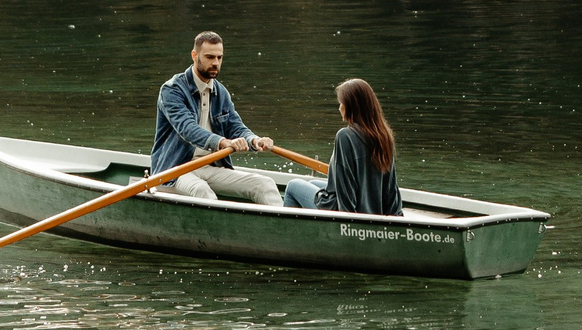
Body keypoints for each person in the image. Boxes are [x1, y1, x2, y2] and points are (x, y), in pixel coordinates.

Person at [151, 31, 283, 205]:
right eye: (209, 57)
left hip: (210, 167)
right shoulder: (172, 90)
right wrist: (222, 142)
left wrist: (254, 140)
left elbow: (235, 127)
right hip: (176, 170)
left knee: (265, 185)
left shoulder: (220, 92)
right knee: (201, 190)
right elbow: (187, 129)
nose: (215, 63)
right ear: (194, 55)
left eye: (219, 58)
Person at [281, 79, 402, 216]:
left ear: (351, 106)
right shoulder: (384, 136)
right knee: (313, 182)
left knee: (293, 186)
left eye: (341, 103)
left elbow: (346, 187)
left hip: (343, 212)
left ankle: (286, 235)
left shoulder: (345, 136)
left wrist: (347, 221)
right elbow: (391, 188)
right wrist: (395, 218)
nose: (339, 108)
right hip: (372, 208)